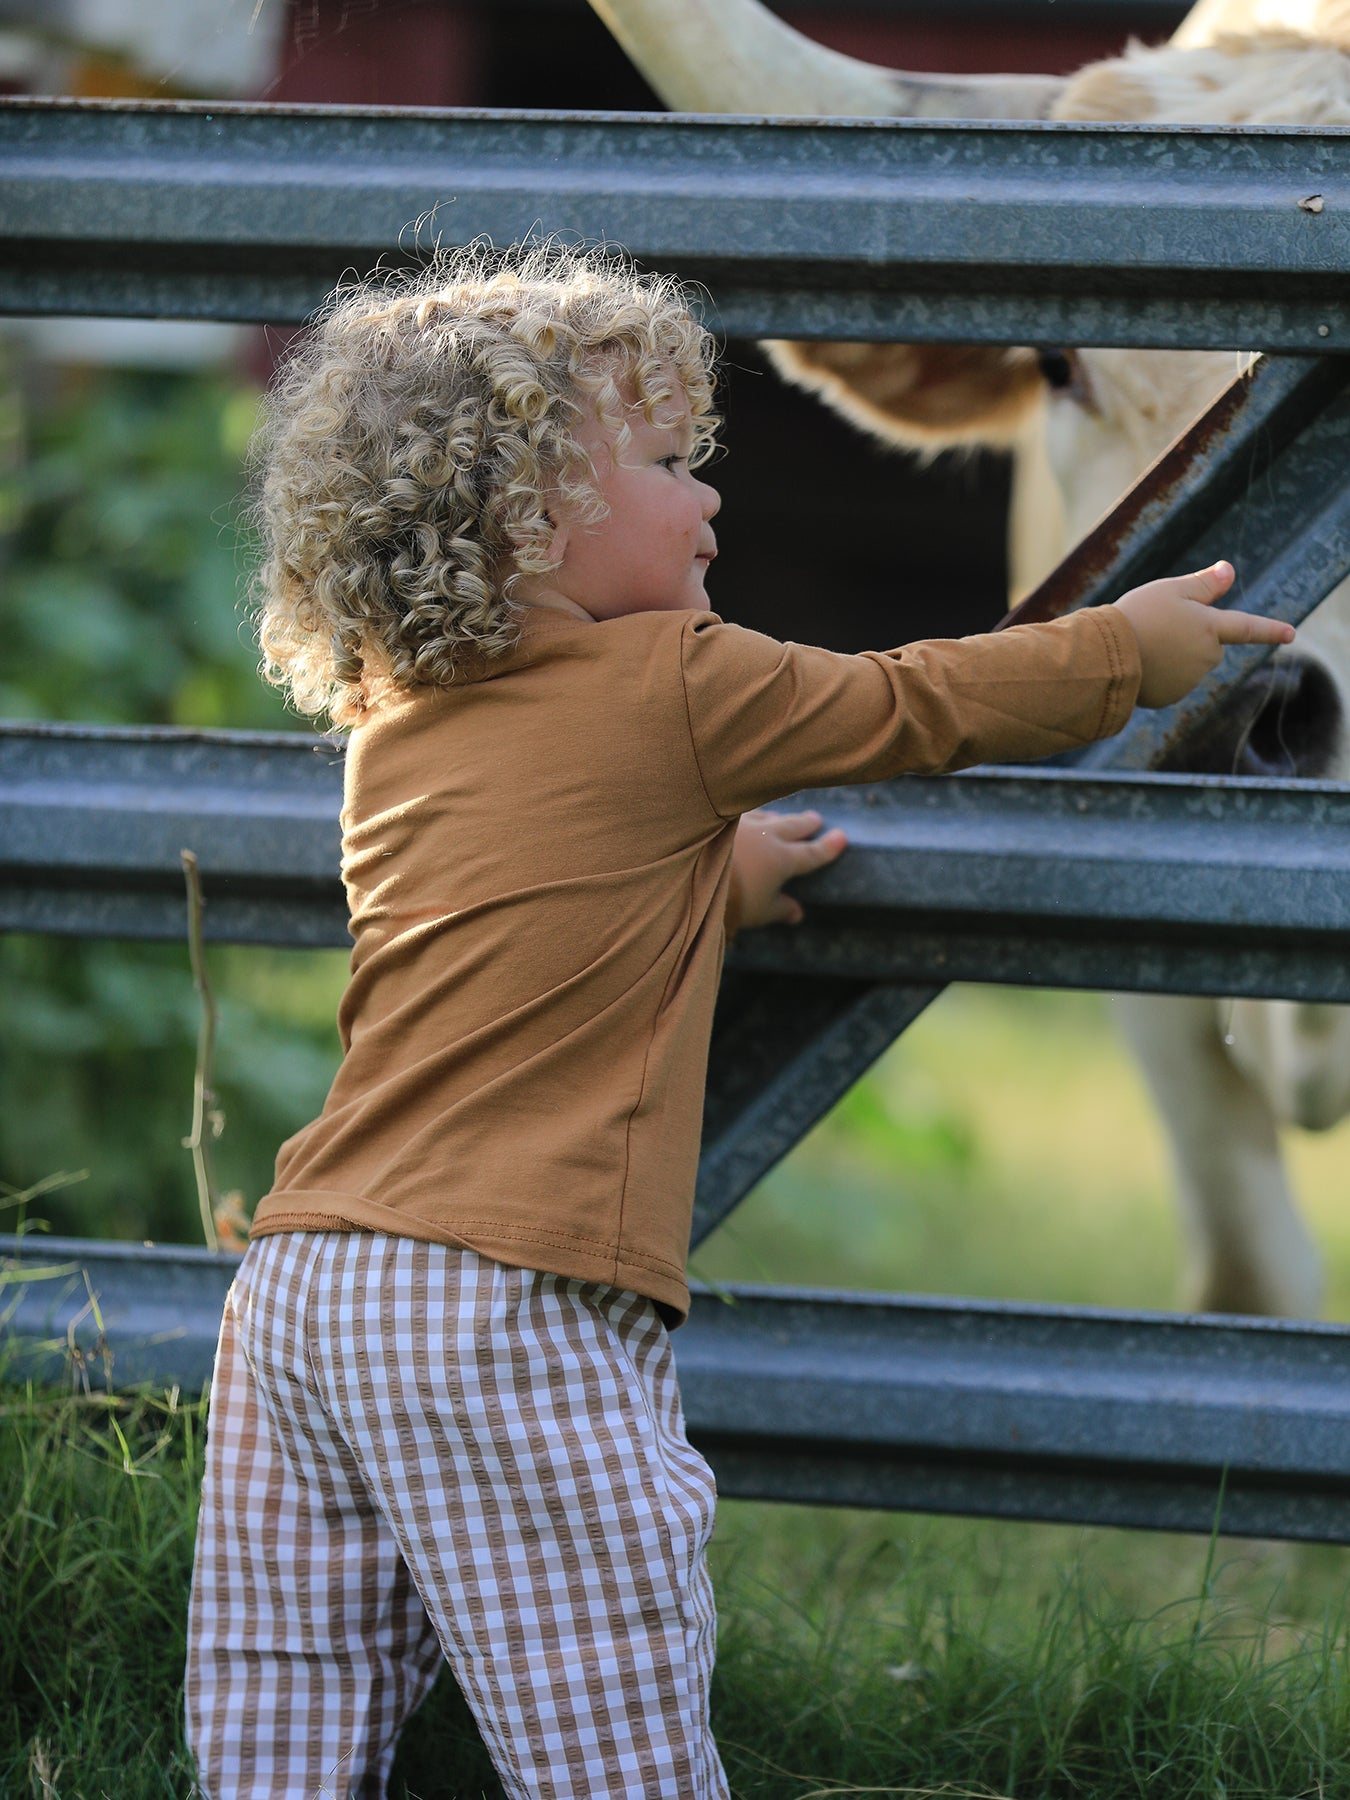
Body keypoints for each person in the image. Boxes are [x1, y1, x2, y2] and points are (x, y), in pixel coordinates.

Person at [184, 242, 1293, 1800]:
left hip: (306, 1290)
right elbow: (908, 702)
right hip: (499, 1301)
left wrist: (704, 875)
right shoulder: (671, 682)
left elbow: (512, 936)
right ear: (526, 518)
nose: (710, 499)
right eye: (662, 465)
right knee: (603, 1714)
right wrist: (1124, 653)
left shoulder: (397, 735)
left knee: (286, 1703)